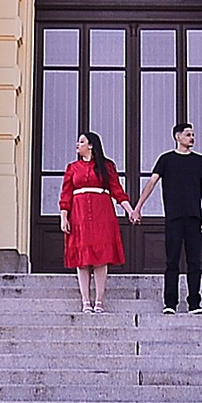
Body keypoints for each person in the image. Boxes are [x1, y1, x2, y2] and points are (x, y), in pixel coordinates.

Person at [140, 120, 202, 315]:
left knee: (194, 262)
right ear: (178, 137)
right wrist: (138, 207)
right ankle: (170, 303)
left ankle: (194, 303)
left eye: (193, 134)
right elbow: (152, 183)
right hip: (173, 218)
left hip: (194, 217)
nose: (192, 138)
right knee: (172, 261)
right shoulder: (166, 159)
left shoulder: (200, 161)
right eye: (188, 134)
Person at [57, 130, 135, 314]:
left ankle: (99, 300)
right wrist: (63, 216)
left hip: (102, 214)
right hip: (79, 215)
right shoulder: (72, 168)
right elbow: (65, 194)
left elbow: (117, 191)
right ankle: (85, 301)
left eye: (81, 141)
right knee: (82, 260)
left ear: (91, 145)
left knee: (101, 258)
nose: (77, 145)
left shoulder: (106, 166)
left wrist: (130, 211)